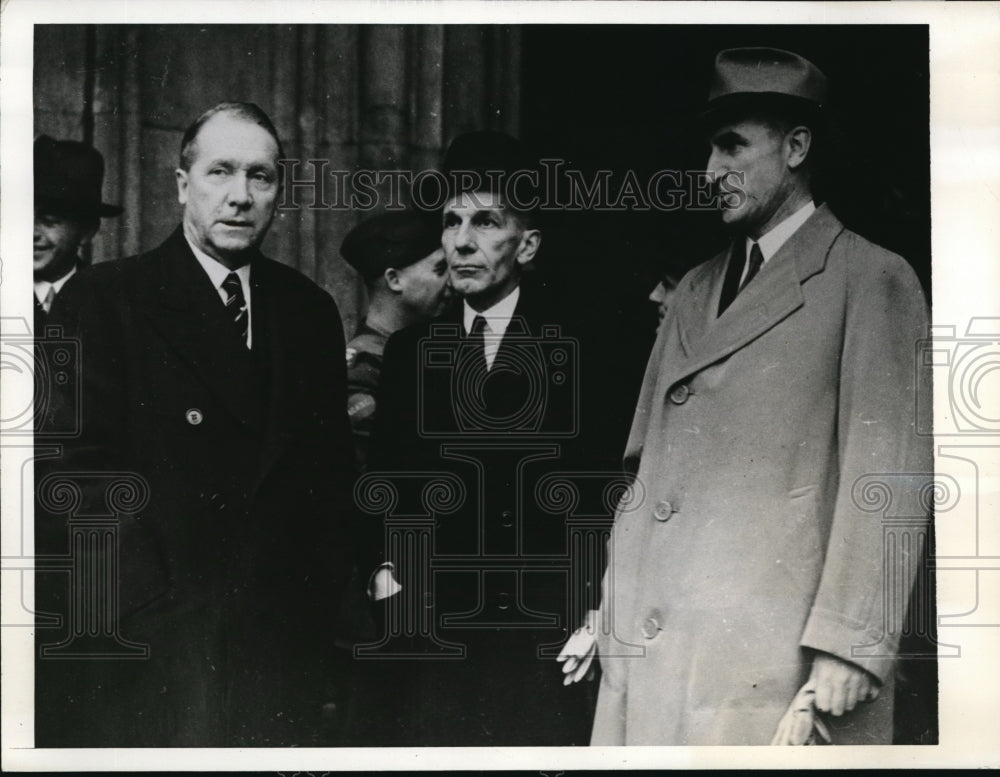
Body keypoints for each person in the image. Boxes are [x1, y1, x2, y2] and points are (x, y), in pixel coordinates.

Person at [589, 48, 931, 745]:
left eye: (732, 146)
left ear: (797, 146)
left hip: (773, 659)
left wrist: (850, 644)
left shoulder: (871, 278)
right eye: (709, 149)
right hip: (655, 651)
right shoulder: (692, 287)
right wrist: (608, 609)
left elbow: (888, 474)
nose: (710, 171)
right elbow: (641, 472)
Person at [36, 102, 355, 747]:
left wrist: (321, 615)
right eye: (220, 173)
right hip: (157, 639)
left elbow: (329, 477)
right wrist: (147, 603)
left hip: (278, 642)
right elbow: (70, 474)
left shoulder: (307, 310)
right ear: (183, 185)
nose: (239, 197)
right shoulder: (105, 301)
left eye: (260, 178)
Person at [362, 131, 613, 746]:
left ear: (526, 245)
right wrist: (384, 572)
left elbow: (606, 486)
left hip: (543, 638)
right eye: (451, 222)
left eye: (486, 220)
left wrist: (599, 611)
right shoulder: (410, 353)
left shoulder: (583, 347)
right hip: (431, 633)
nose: (462, 241)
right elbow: (383, 484)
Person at [341, 210, 453, 472]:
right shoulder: (363, 371)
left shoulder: (420, 352)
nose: (453, 280)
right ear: (394, 279)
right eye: (440, 268)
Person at [33, 135, 122, 329]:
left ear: (87, 231)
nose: (32, 233)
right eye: (22, 219)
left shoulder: (113, 306)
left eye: (49, 219)